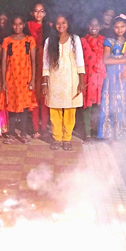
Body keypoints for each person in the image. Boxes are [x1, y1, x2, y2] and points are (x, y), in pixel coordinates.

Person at [42, 14, 85, 151]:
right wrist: (44, 82)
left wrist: (82, 80)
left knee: (69, 110)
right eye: (58, 23)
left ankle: (67, 139)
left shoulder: (74, 39)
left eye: (64, 23)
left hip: (71, 80)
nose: (61, 26)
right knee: (54, 110)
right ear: (54, 25)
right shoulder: (49, 41)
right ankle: (56, 138)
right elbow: (46, 62)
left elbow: (80, 60)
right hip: (55, 81)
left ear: (68, 24)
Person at [98, 15, 126, 139]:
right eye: (116, 27)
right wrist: (124, 60)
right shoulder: (109, 41)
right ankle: (111, 133)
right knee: (113, 102)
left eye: (122, 26)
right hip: (113, 76)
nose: (119, 29)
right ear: (113, 28)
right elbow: (106, 60)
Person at [0, 15, 37, 144]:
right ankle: (11, 133)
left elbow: (33, 61)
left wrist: (32, 79)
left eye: (20, 24)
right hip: (11, 78)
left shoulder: (29, 40)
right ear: (12, 25)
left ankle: (23, 133)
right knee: (11, 106)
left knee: (24, 107)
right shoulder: (7, 41)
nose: (17, 26)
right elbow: (4, 61)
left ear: (24, 25)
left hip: (25, 78)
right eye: (15, 24)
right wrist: (4, 80)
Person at [27, 3, 51, 139]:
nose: (39, 14)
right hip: (30, 64)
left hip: (45, 64)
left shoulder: (48, 28)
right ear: (32, 13)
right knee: (34, 98)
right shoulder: (27, 26)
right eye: (36, 11)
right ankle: (35, 128)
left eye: (41, 11)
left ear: (45, 13)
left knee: (44, 97)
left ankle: (44, 128)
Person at [80, 17, 106, 141]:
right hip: (87, 77)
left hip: (100, 78)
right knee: (87, 106)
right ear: (88, 26)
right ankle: (88, 134)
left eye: (96, 25)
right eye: (91, 24)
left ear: (100, 27)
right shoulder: (82, 41)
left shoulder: (104, 41)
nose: (94, 27)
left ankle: (97, 132)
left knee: (98, 106)